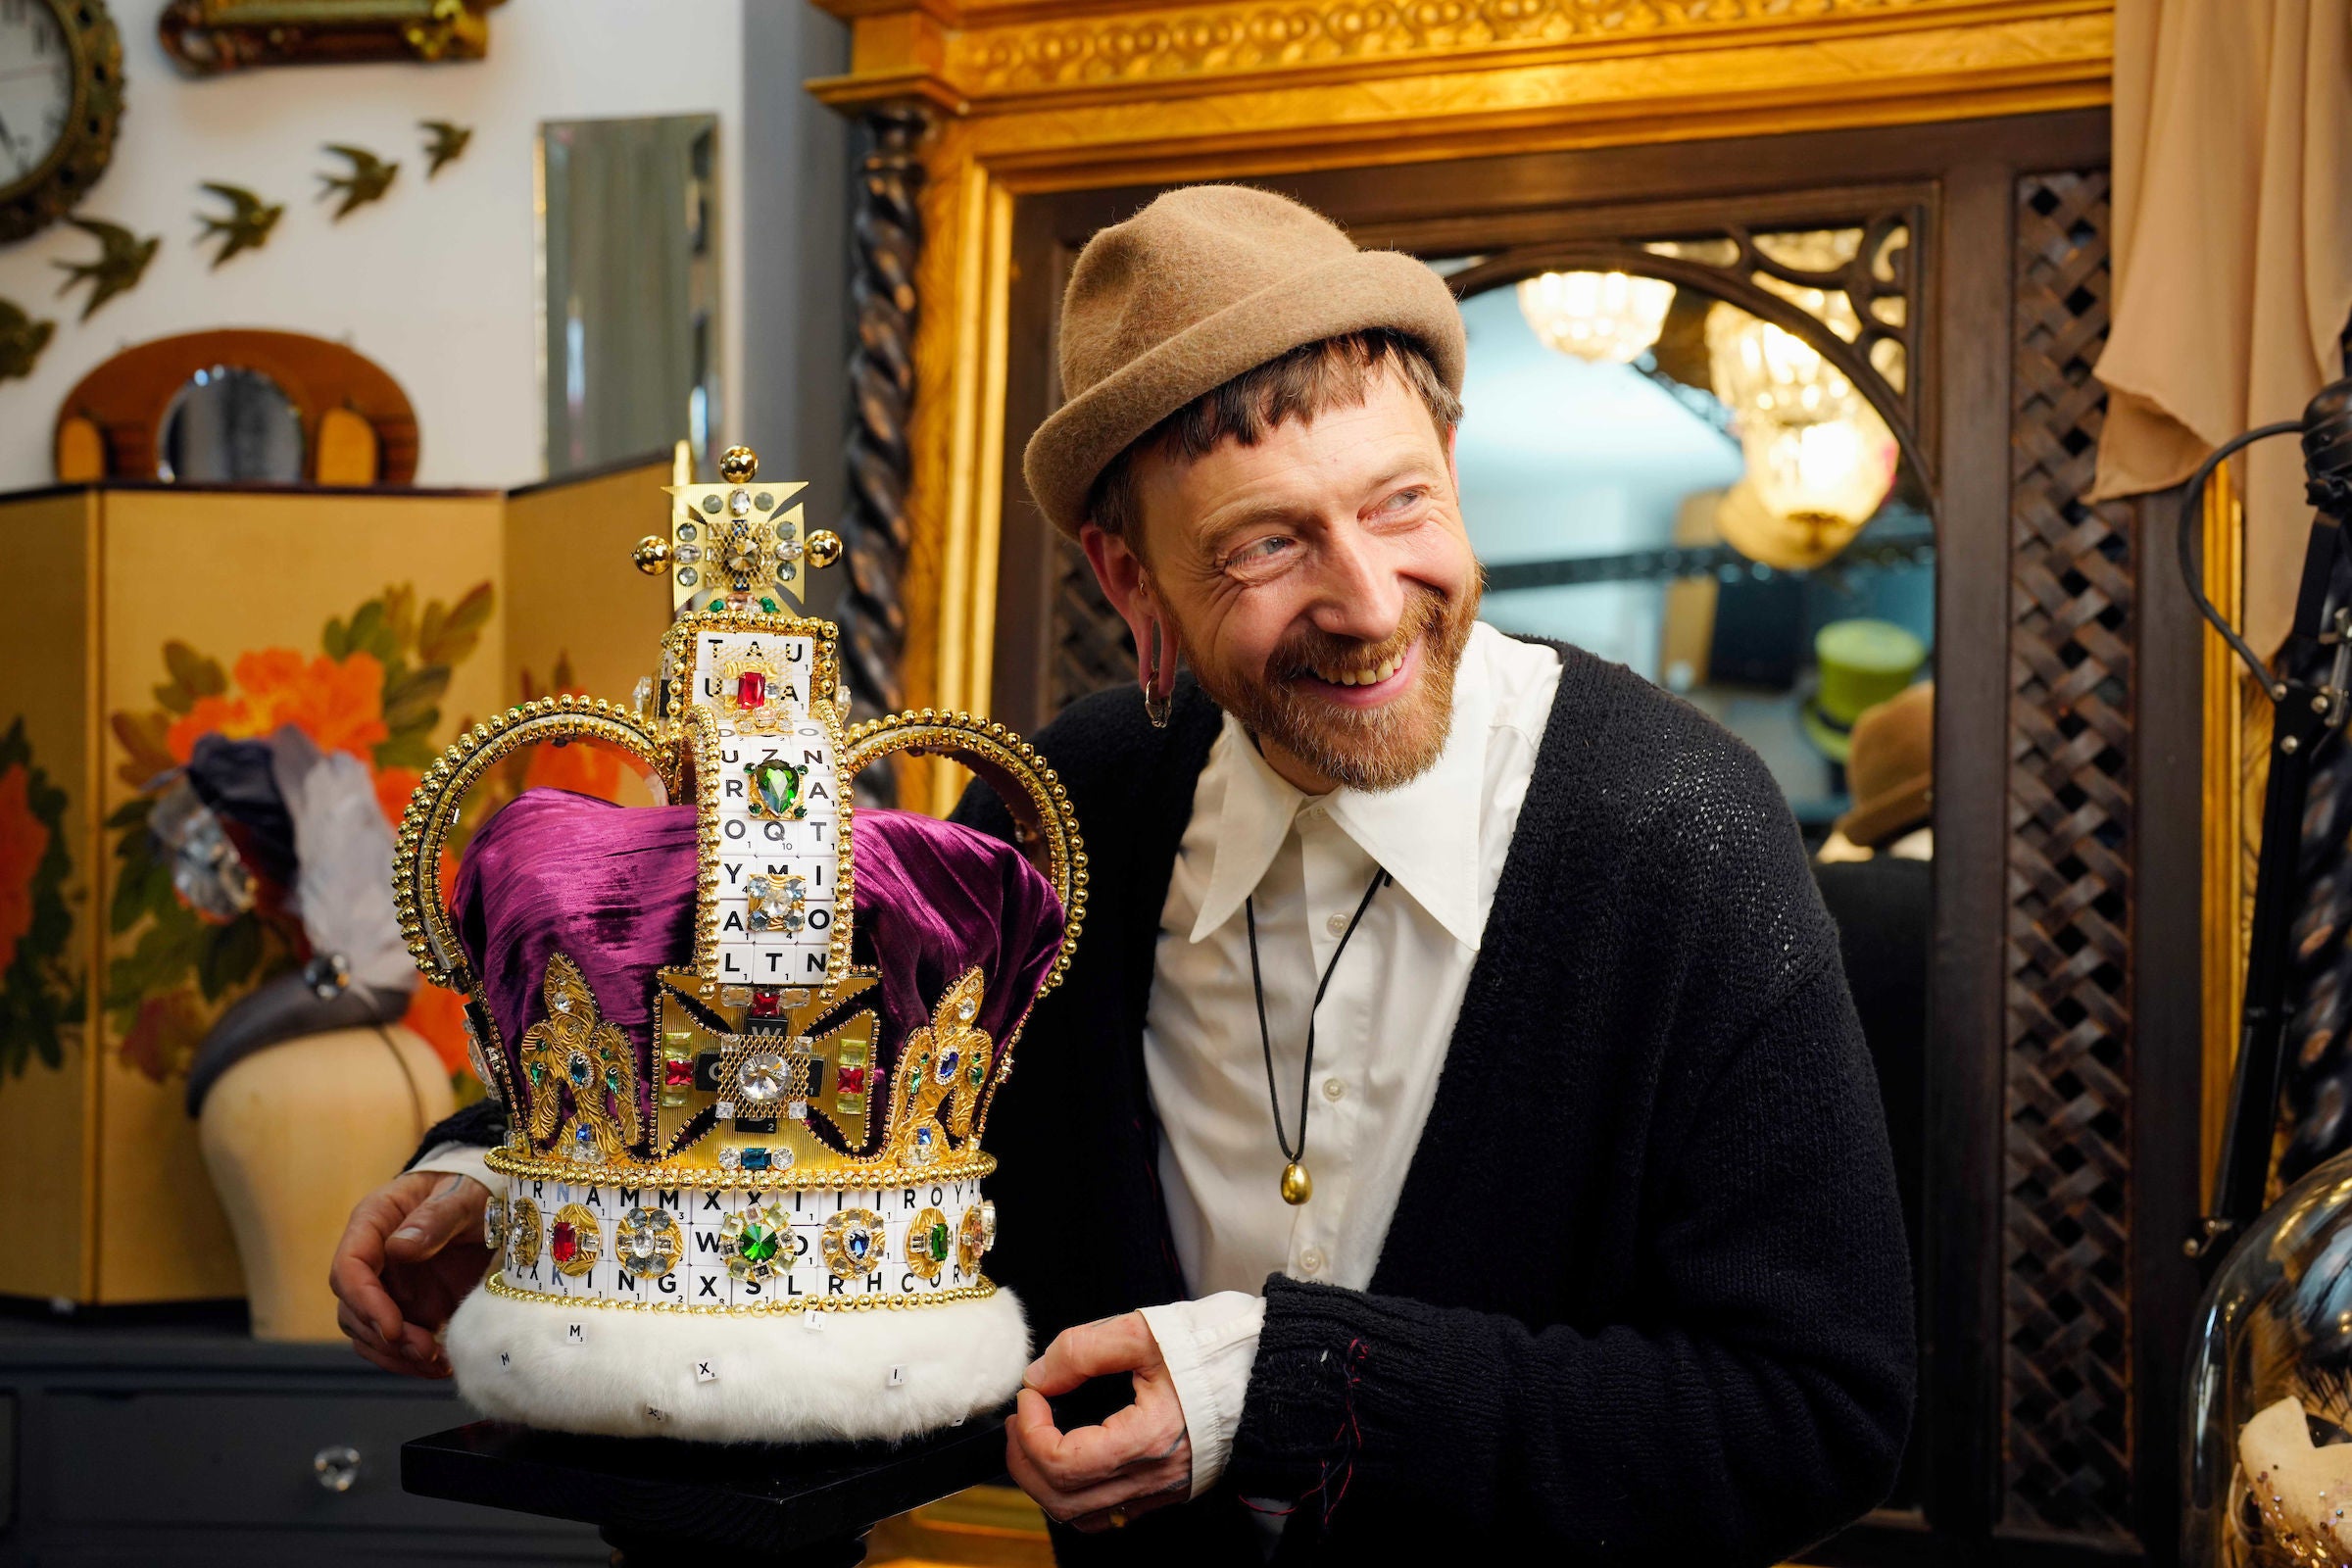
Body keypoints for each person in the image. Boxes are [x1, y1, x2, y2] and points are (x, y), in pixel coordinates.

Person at [332, 184, 1913, 1562]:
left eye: (1402, 504)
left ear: (1451, 452)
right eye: (1264, 546)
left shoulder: (1681, 830)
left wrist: (1277, 1385)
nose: (1370, 600)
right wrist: (500, 1184)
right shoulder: (1077, 796)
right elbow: (816, 1104)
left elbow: (1817, 1416)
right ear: (1126, 574)